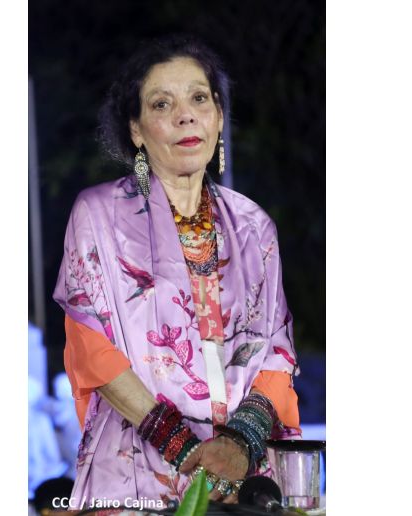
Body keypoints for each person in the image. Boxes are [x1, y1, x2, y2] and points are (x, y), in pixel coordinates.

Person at [53, 35, 301, 510]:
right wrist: (183, 448)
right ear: (136, 130)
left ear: (219, 117)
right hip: (136, 471)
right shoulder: (99, 214)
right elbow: (90, 346)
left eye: (199, 98)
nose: (186, 115)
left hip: (243, 477)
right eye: (162, 104)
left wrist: (240, 443)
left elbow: (278, 349)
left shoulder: (254, 227)